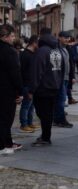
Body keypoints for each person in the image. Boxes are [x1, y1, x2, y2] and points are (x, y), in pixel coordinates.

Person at [28, 28, 63, 146]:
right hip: (54, 86)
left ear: (41, 36)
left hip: (43, 88)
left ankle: (46, 137)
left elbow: (36, 72)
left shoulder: (42, 51)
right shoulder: (57, 50)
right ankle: (45, 135)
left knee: (43, 113)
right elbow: (61, 70)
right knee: (48, 113)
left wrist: (32, 89)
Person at [0, 24, 23, 155]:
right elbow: (15, 74)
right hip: (7, 91)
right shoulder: (10, 52)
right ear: (5, 37)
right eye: (12, 36)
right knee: (6, 118)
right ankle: (4, 145)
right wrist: (20, 91)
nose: (14, 38)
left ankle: (7, 142)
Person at [19, 35, 40, 133]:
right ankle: (24, 124)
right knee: (26, 105)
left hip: (32, 84)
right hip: (27, 84)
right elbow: (23, 71)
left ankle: (30, 122)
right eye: (38, 43)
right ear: (34, 43)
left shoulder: (33, 53)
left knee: (31, 105)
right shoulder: (25, 55)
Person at [53, 31, 74, 128]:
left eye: (68, 38)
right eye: (65, 37)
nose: (67, 39)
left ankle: (57, 119)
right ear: (59, 38)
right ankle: (61, 120)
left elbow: (70, 63)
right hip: (60, 79)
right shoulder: (56, 49)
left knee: (61, 100)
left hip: (65, 78)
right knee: (61, 100)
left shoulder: (66, 48)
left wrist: (71, 76)